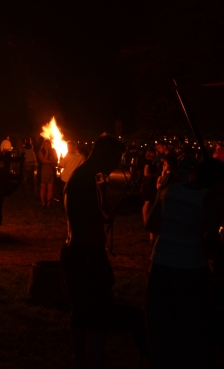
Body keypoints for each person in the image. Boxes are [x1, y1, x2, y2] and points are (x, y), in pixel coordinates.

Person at [145, 159, 224, 368]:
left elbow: (151, 224)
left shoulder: (168, 190)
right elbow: (212, 241)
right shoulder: (210, 199)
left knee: (160, 322)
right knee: (188, 323)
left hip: (160, 263)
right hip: (191, 268)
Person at [60, 136, 125, 369]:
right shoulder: (86, 179)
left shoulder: (85, 176)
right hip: (86, 254)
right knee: (97, 310)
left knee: (81, 309)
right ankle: (93, 359)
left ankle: (83, 358)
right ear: (103, 155)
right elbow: (90, 217)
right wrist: (110, 213)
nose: (116, 163)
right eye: (116, 158)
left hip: (77, 252)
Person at [139, 148, 158, 243]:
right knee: (147, 201)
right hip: (148, 183)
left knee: (150, 201)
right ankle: (145, 219)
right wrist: (154, 175)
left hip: (151, 183)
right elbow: (146, 173)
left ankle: (147, 220)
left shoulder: (153, 162)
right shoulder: (148, 162)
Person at [38, 139, 58, 207]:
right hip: (43, 171)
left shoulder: (53, 151)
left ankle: (48, 203)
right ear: (43, 145)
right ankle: (43, 203)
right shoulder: (40, 152)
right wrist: (46, 151)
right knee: (43, 187)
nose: (46, 146)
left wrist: (49, 162)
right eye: (45, 144)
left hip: (51, 171)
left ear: (50, 145)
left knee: (50, 188)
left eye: (48, 144)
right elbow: (43, 161)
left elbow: (56, 160)